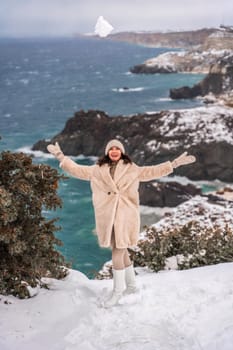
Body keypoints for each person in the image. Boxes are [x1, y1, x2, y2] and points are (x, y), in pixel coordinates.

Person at [47, 139, 196, 307]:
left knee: (118, 251)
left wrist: (174, 163)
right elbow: (77, 170)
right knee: (121, 249)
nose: (115, 150)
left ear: (122, 151)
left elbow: (152, 171)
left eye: (118, 148)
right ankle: (131, 286)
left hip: (126, 215)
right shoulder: (97, 169)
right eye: (111, 148)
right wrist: (60, 156)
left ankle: (117, 292)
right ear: (107, 152)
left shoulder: (132, 169)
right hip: (107, 216)